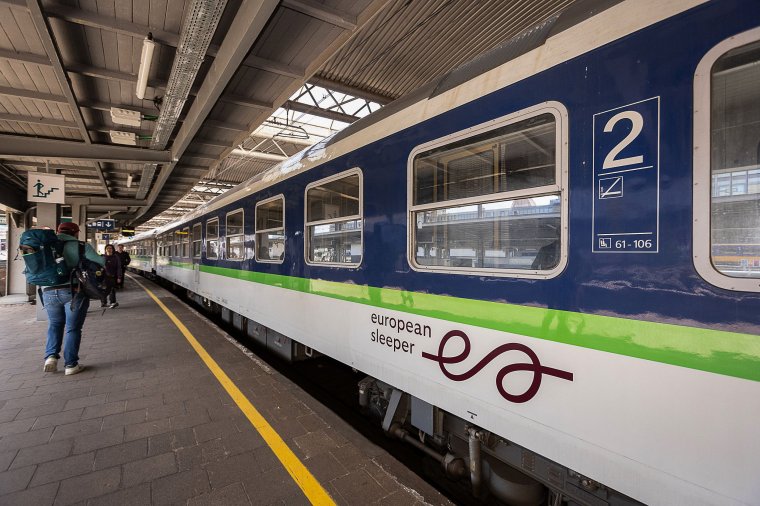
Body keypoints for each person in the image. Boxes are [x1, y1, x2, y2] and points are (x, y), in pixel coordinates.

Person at [42, 222, 105, 376]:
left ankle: (51, 357)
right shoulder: (81, 246)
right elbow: (101, 263)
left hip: (49, 291)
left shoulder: (47, 245)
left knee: (54, 325)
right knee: (72, 328)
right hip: (74, 291)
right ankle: (71, 365)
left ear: (58, 231)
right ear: (76, 233)